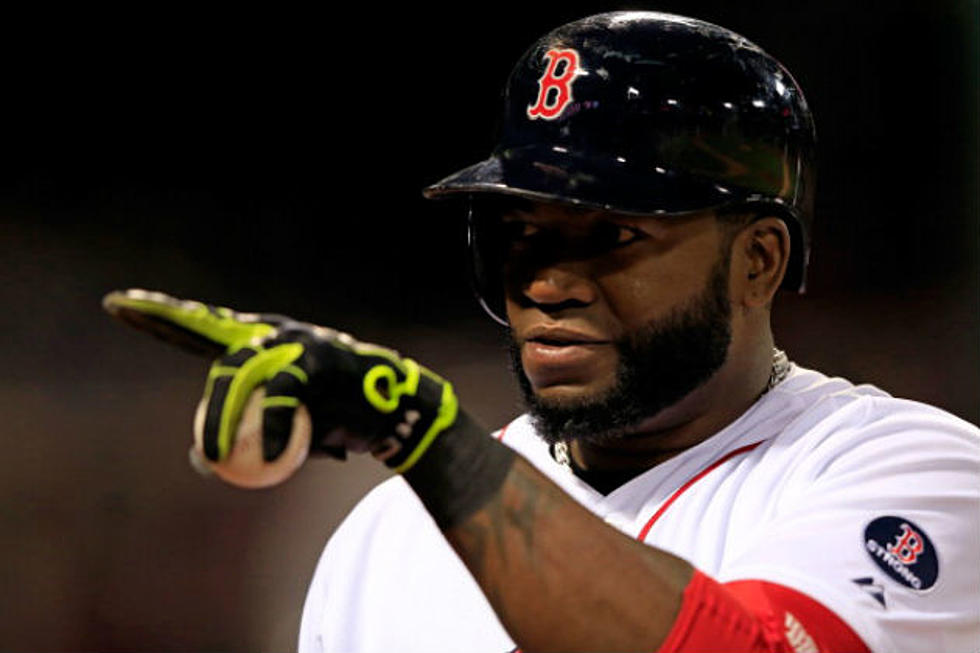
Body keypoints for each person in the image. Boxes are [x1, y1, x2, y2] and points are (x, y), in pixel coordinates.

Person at [104, 11, 979, 653]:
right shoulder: (388, 537)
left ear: (757, 261)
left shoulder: (907, 472)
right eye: (521, 236)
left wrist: (430, 442)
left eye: (611, 234)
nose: (548, 283)